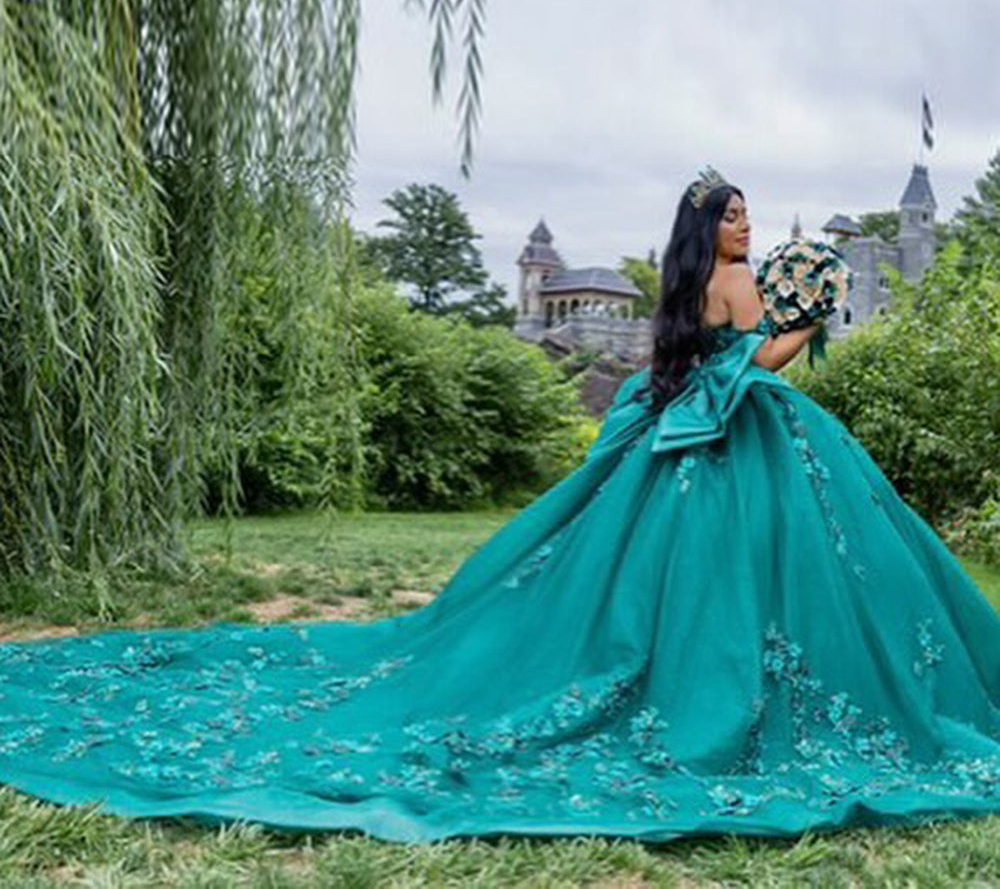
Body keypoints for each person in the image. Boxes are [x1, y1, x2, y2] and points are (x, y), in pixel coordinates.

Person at [0, 171, 998, 843]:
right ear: (711, 231)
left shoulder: (685, 284)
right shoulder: (737, 282)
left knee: (652, 573)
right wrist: (808, 318)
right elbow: (758, 365)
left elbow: (687, 371)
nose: (743, 222)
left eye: (744, 211)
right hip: (740, 444)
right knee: (790, 572)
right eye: (731, 213)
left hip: (681, 437)